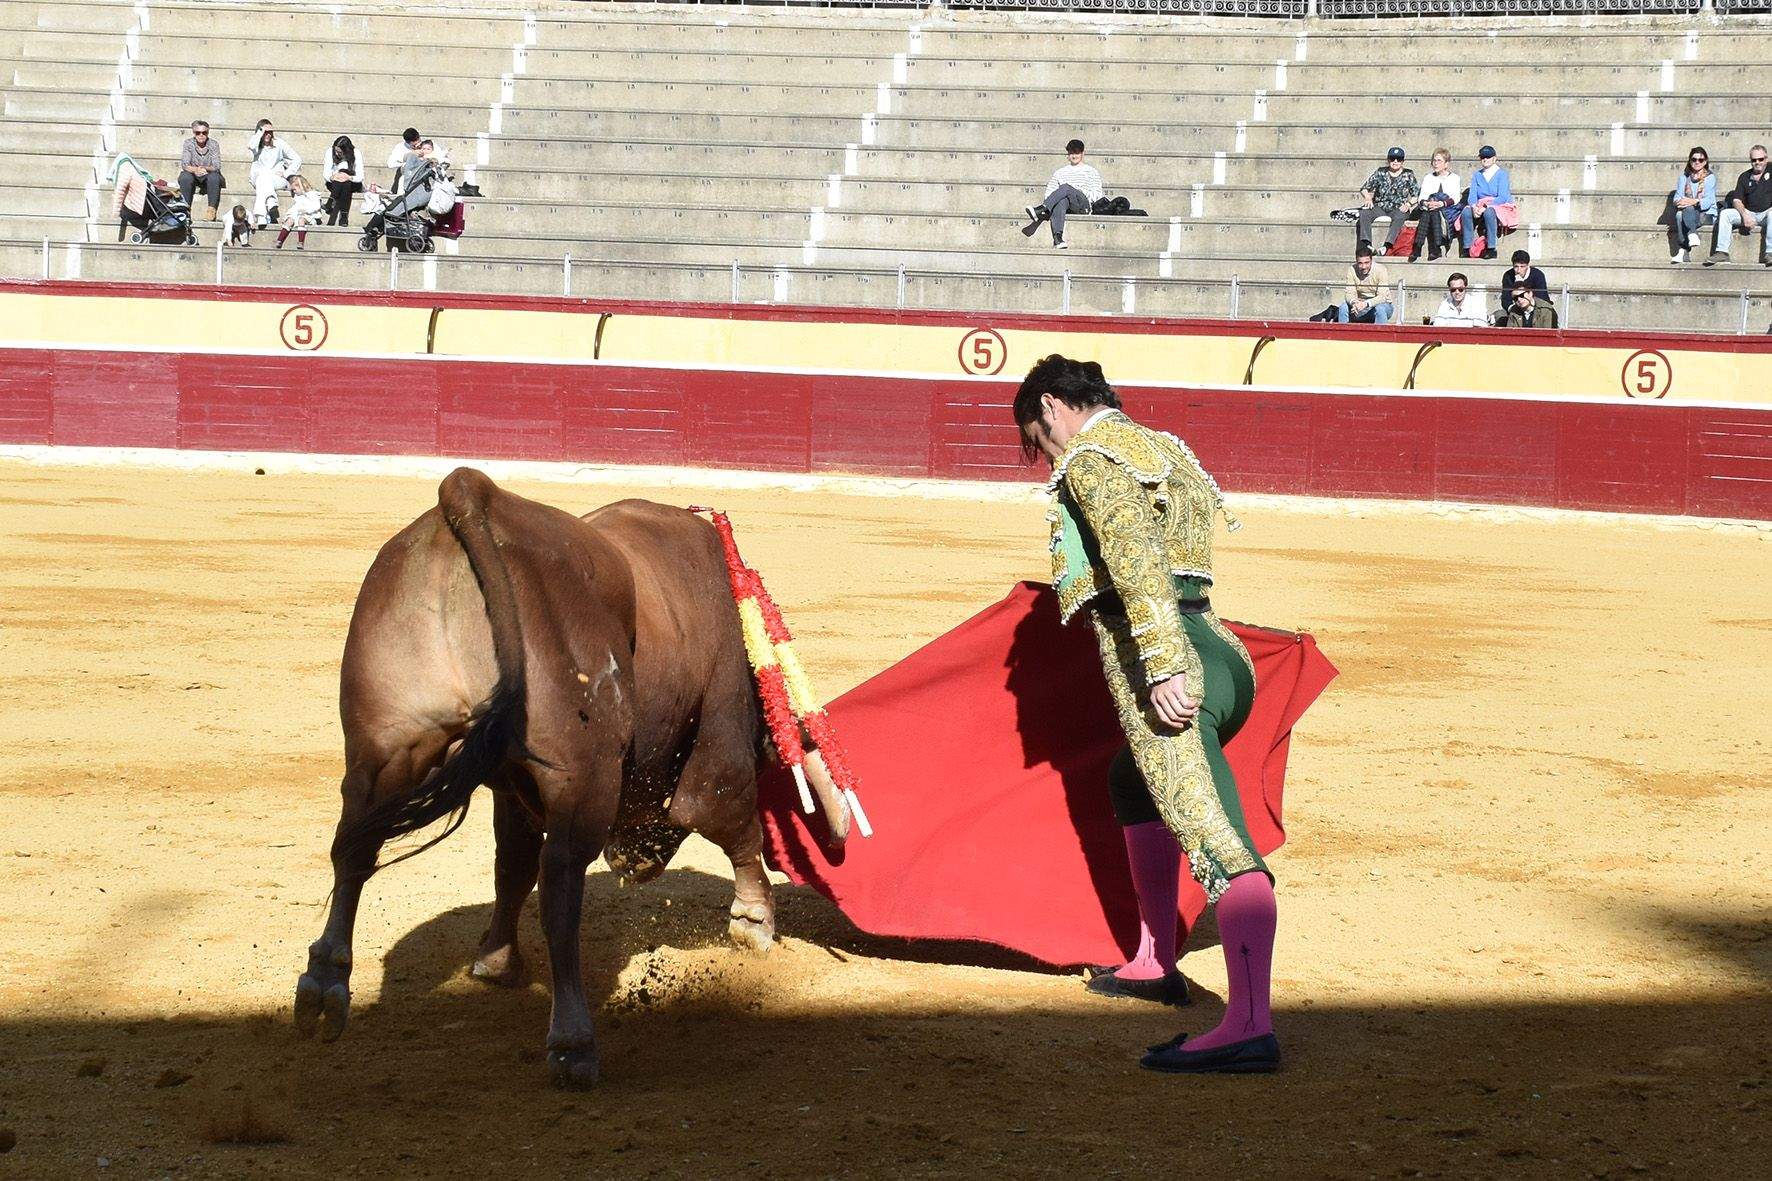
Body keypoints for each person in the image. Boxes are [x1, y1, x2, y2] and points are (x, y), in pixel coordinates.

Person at [1012, 355, 1280, 1075]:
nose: (1045, 457)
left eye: (1038, 440)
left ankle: (1251, 1023)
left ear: (1052, 407)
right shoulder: (1166, 448)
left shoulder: (1092, 462)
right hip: (1220, 651)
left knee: (1215, 835)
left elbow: (1134, 562)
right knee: (1133, 783)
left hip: (1174, 665)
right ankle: (1154, 960)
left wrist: (1161, 665)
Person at [1021, 138, 1103, 251]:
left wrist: (1076, 190)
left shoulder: (1091, 171)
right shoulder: (1060, 172)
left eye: (1077, 153)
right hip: (1066, 206)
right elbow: (1049, 193)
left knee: (1065, 187)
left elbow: (1098, 195)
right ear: (1068, 155)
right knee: (1061, 200)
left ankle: (1042, 209)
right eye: (1071, 153)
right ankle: (1058, 238)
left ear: (1083, 153)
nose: (1074, 156)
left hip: (1083, 205)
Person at [1706, 144, 1771, 267]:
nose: (1757, 162)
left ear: (1766, 159)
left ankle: (1770, 252)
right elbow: (1736, 200)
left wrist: (1767, 161)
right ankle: (1722, 252)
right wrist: (1745, 215)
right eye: (1754, 160)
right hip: (1749, 213)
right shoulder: (1744, 176)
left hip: (1767, 214)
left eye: (1761, 159)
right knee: (1725, 213)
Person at [1355, 146, 1418, 253]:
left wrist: (1408, 204)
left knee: (1401, 216)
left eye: (1399, 159)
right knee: (1364, 212)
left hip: (1398, 207)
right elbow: (1364, 188)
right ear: (1388, 159)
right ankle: (1367, 244)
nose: (1395, 161)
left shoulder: (1409, 174)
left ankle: (1387, 245)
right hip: (1380, 206)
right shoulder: (1380, 172)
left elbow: (1416, 195)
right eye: (1392, 158)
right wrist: (1368, 198)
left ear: (1403, 161)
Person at [247, 119, 301, 228]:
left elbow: (297, 159)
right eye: (265, 132)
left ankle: (261, 215)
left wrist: (287, 173)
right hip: (258, 177)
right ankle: (271, 202)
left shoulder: (279, 143)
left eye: (270, 132)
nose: (268, 134)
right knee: (264, 175)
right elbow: (251, 146)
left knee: (265, 176)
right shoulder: (256, 144)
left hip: (277, 178)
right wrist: (261, 131)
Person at [1667, 145, 1717, 265]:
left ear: (1705, 162)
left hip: (1706, 213)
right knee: (1680, 214)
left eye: (1700, 160)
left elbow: (1709, 200)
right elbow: (1677, 198)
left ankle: (1683, 249)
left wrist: (1693, 201)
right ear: (1690, 161)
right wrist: (1681, 202)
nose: (1697, 162)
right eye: (1694, 159)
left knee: (1683, 212)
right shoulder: (1683, 178)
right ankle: (1692, 234)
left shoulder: (1710, 178)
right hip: (1688, 212)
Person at [1411, 147, 1461, 262]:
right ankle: (1436, 248)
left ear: (1446, 163)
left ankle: (1418, 246)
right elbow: (1422, 197)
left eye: (1439, 161)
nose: (1435, 163)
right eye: (1434, 160)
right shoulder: (1428, 178)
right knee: (1430, 211)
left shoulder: (1454, 178)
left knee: (1432, 211)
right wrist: (1428, 203)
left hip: (1449, 209)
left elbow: (1456, 198)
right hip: (1430, 208)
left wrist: (1441, 203)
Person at [1462, 145, 1512, 259]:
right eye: (1483, 157)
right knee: (1466, 212)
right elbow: (1472, 196)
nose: (1485, 160)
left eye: (1488, 157)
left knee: (1489, 212)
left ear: (1494, 159)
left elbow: (1503, 197)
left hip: (1496, 204)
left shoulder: (1502, 174)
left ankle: (1491, 247)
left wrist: (1486, 206)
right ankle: (1466, 247)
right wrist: (1474, 207)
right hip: (1480, 205)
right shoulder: (1477, 175)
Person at [177, 120, 224, 222]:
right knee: (185, 177)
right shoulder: (188, 143)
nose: (201, 135)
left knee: (214, 177)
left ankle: (211, 210)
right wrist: (195, 170)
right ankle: (185, 210)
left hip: (209, 173)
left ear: (208, 132)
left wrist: (204, 168)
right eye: (198, 133)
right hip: (193, 173)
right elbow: (185, 164)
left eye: (204, 132)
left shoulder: (214, 144)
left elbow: (216, 166)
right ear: (194, 133)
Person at [1336, 244, 1394, 324]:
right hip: (1359, 305)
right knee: (1343, 307)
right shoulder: (1352, 270)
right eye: (1360, 263)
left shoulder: (1381, 270)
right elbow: (1349, 293)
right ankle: (1343, 335)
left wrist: (1366, 304)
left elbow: (1382, 297)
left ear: (1371, 260)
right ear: (1356, 261)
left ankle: (1380, 335)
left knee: (1380, 309)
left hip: (1380, 305)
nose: (1363, 266)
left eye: (1367, 262)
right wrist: (1354, 303)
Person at [323, 136, 365, 227]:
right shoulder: (329, 152)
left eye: (340, 152)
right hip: (334, 183)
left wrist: (348, 177)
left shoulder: (356, 153)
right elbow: (326, 173)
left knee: (345, 179)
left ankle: (330, 203)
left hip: (352, 182)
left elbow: (360, 176)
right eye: (336, 151)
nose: (337, 154)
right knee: (342, 179)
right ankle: (344, 217)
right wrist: (333, 177)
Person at [274, 176, 324, 250]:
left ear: (301, 186)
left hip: (309, 214)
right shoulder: (298, 196)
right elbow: (295, 207)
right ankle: (279, 240)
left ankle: (301, 242)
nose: (294, 191)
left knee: (301, 220)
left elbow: (316, 206)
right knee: (289, 221)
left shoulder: (312, 194)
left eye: (295, 189)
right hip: (297, 213)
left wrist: (306, 210)